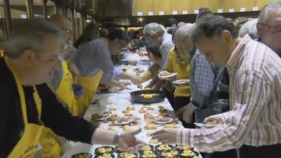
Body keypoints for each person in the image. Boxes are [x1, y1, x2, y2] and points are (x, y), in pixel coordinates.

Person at [0, 18, 143, 158]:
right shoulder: (4, 92)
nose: (56, 66)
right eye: (51, 59)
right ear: (28, 57)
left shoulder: (35, 83)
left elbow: (64, 122)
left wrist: (117, 139)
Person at [152, 14, 281, 158]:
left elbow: (235, 135)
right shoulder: (248, 54)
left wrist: (180, 136)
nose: (209, 61)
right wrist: (227, 117)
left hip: (267, 149)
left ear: (226, 37)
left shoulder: (251, 69)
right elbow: (254, 108)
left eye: (209, 53)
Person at [70, 29, 138, 116]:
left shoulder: (102, 45)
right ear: (116, 41)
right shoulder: (100, 47)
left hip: (84, 87)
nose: (120, 50)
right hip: (77, 87)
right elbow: (108, 72)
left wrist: (122, 81)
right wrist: (126, 79)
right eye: (121, 46)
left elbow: (108, 71)